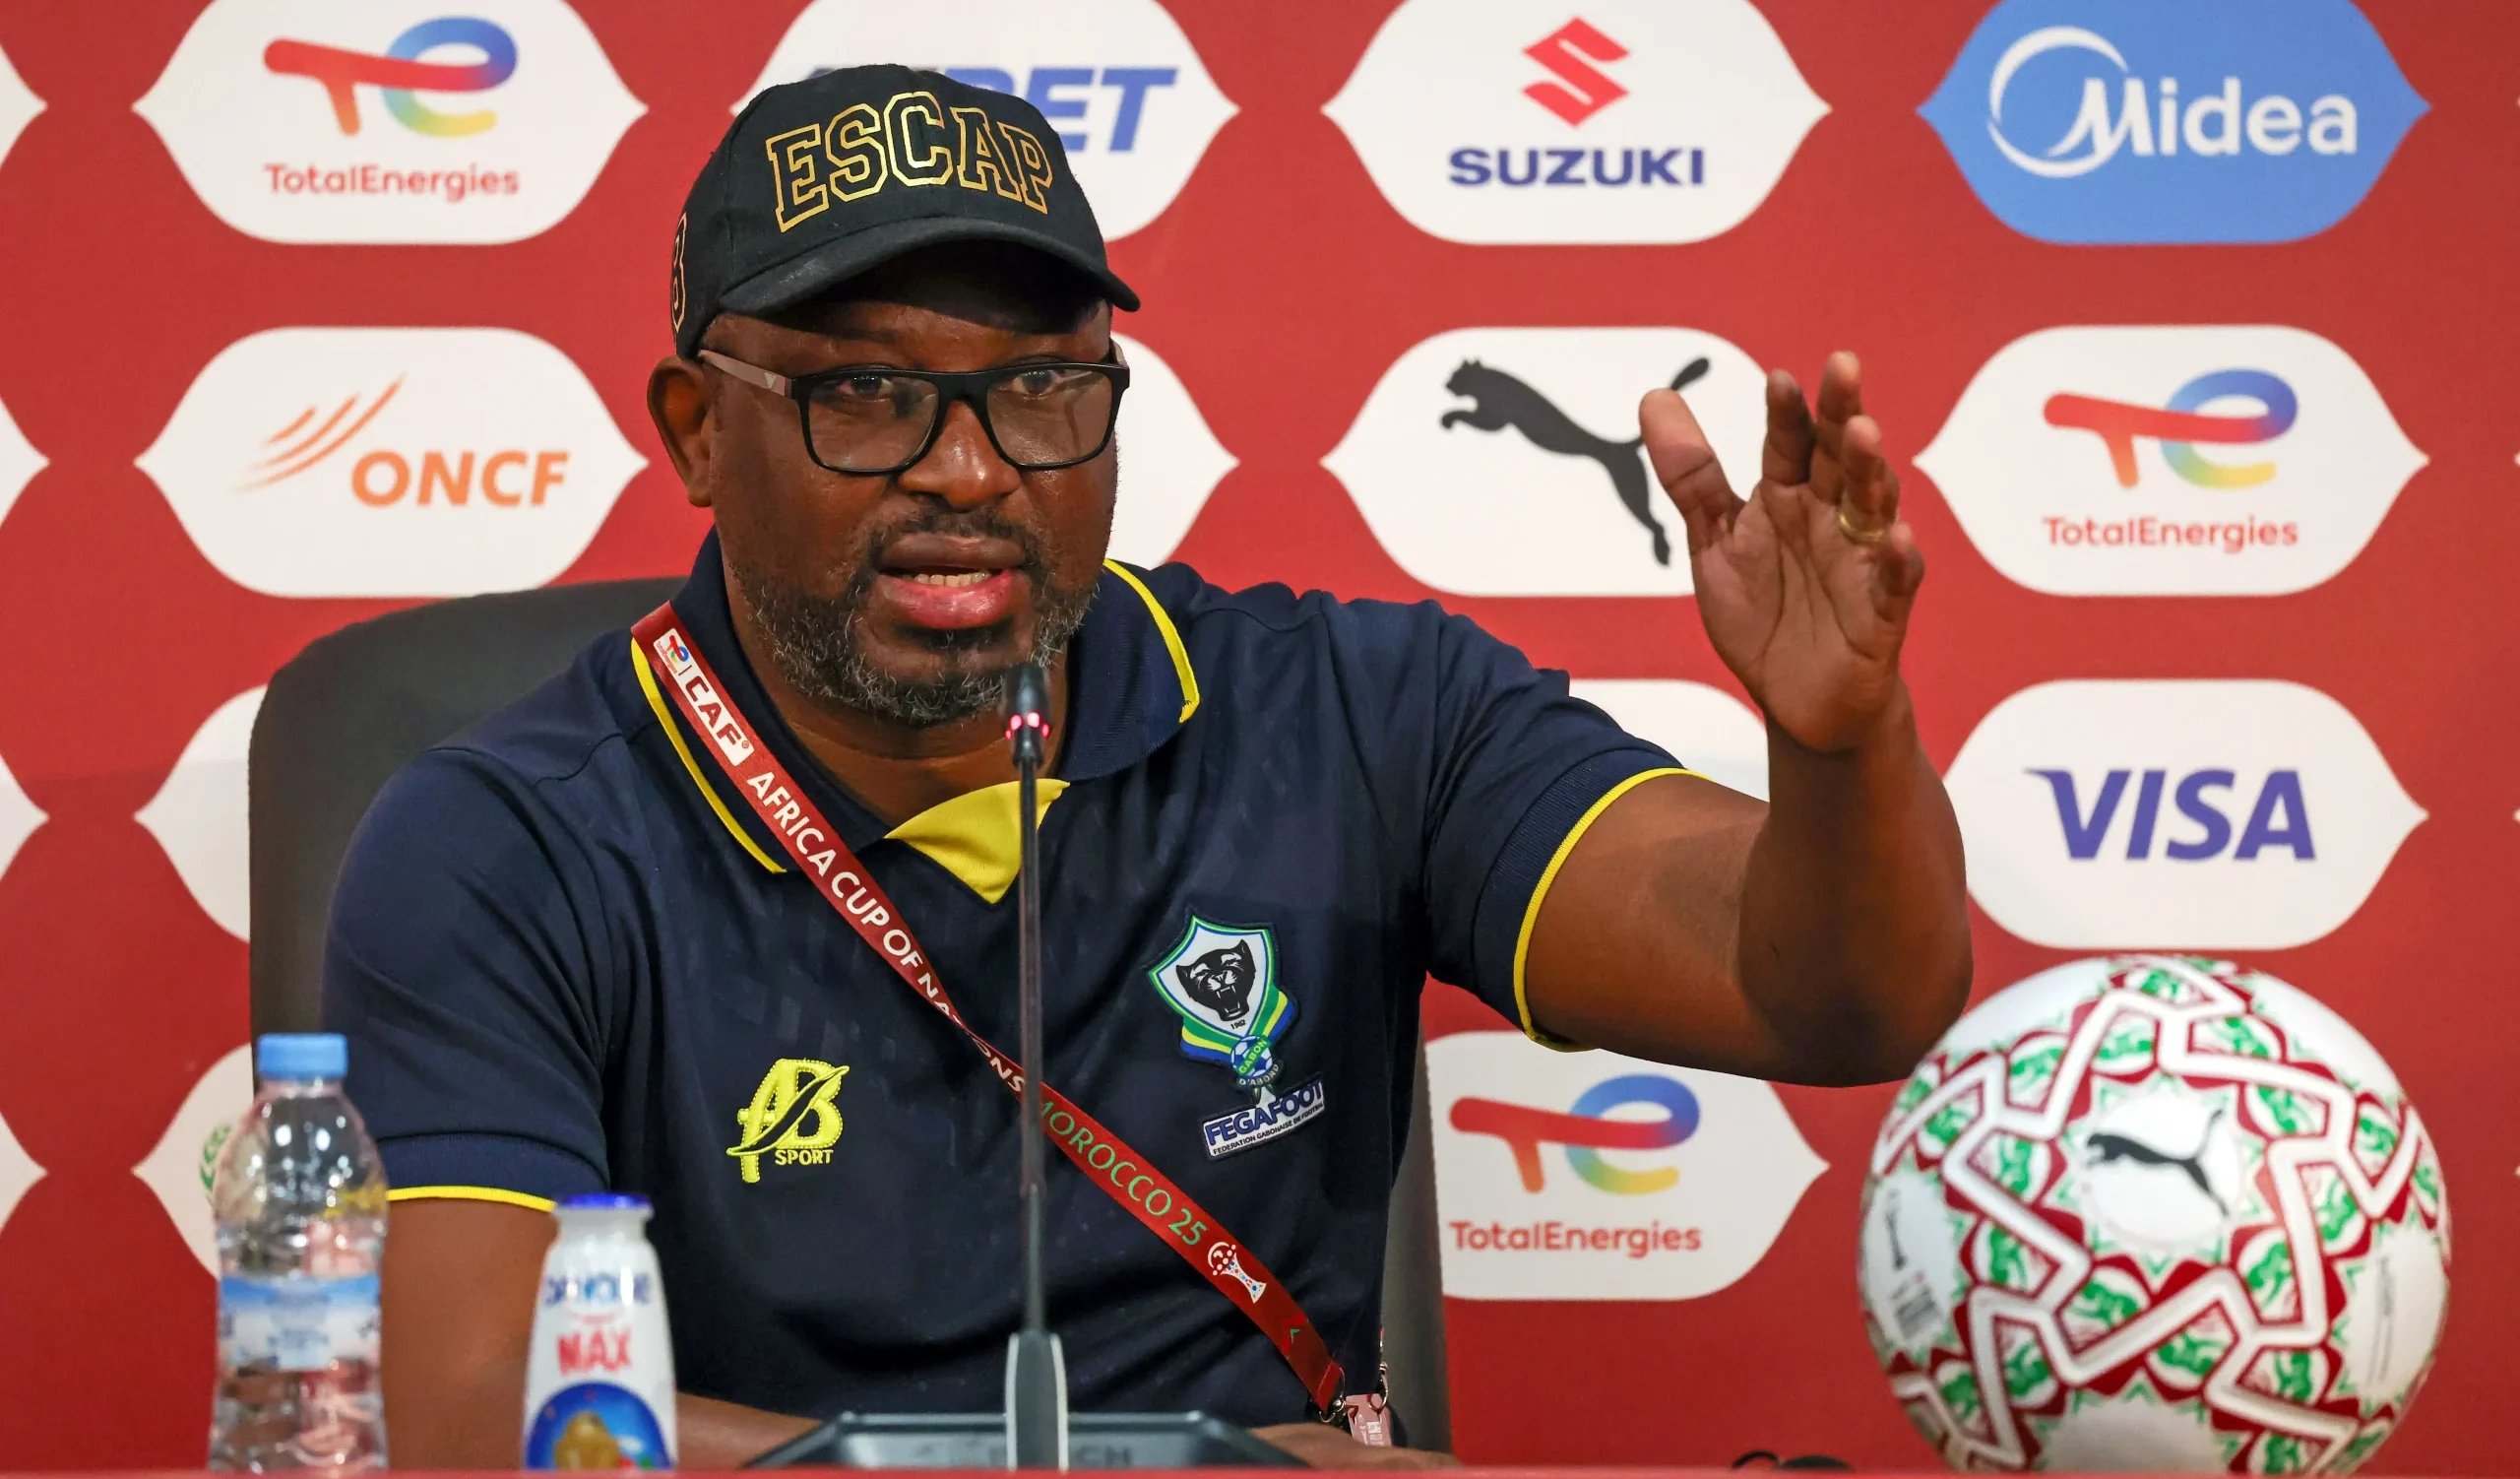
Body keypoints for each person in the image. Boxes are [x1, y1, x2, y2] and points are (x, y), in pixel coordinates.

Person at [324, 65, 1970, 1469]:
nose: (966, 471)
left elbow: (1841, 1002)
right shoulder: (512, 838)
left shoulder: (1354, 710)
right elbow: (475, 1415)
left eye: (1041, 388)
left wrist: (1842, 745)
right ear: (695, 429)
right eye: (868, 397)